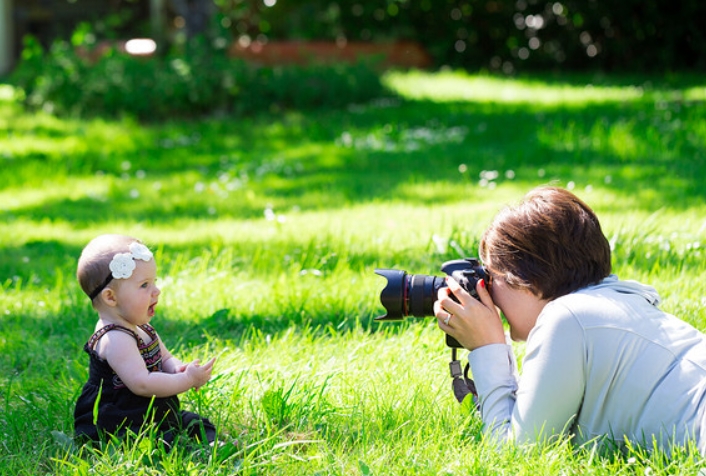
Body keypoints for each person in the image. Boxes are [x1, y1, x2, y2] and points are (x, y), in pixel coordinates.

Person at [434, 186, 706, 454]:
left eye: (492, 278)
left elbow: (517, 454)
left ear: (526, 280)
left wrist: (487, 348)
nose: (488, 292)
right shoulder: (618, 303)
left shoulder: (567, 317)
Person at [74, 234, 218, 447]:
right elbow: (142, 383)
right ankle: (186, 449)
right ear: (110, 297)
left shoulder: (142, 328)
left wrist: (179, 369)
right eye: (144, 285)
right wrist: (187, 381)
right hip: (119, 420)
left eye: (154, 282)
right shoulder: (114, 338)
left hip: (149, 412)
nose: (156, 291)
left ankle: (213, 445)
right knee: (160, 441)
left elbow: (165, 358)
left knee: (194, 422)